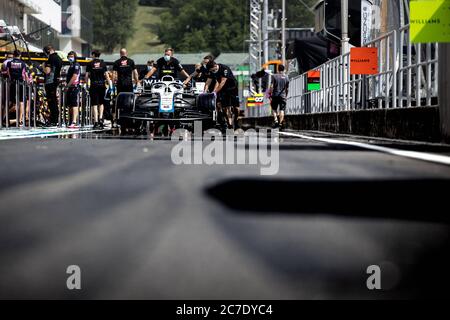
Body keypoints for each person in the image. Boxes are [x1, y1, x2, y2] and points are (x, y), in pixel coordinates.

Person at [206, 60, 239, 130]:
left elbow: (222, 82)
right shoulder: (212, 71)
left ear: (215, 66)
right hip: (224, 89)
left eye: (212, 70)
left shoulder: (224, 68)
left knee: (236, 108)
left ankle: (236, 120)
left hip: (232, 87)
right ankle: (229, 124)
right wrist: (205, 91)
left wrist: (215, 92)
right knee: (225, 107)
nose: (212, 72)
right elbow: (209, 81)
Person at [86, 49, 111, 129]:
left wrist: (87, 85)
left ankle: (96, 122)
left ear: (93, 55)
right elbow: (106, 75)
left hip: (93, 85)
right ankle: (100, 119)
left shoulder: (90, 63)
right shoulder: (103, 63)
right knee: (101, 103)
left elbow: (86, 76)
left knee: (94, 104)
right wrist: (110, 85)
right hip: (102, 85)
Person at [4, 50, 28, 126]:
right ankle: (20, 120)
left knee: (10, 101)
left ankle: (3, 118)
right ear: (20, 55)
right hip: (21, 83)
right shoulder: (23, 63)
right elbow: (24, 74)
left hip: (12, 83)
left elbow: (8, 73)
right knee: (21, 102)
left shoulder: (9, 63)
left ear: (13, 55)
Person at [43, 45, 63, 126]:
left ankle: (53, 120)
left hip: (50, 82)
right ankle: (55, 119)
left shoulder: (50, 58)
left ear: (48, 51)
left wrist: (42, 66)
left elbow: (47, 71)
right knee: (54, 101)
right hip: (56, 82)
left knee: (51, 102)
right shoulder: (58, 58)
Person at [269, 64, 289, 129]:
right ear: (283, 69)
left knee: (274, 109)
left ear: (278, 69)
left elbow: (271, 86)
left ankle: (276, 121)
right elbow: (287, 88)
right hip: (283, 95)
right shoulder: (286, 77)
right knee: (282, 109)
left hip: (275, 95)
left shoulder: (274, 76)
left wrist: (270, 94)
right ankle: (280, 123)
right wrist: (286, 95)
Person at [65, 51, 81, 129]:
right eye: (69, 56)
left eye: (72, 56)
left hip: (74, 87)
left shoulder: (76, 65)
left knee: (74, 105)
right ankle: (71, 120)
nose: (70, 58)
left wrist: (68, 85)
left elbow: (74, 76)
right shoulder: (71, 66)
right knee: (70, 105)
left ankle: (74, 121)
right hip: (70, 88)